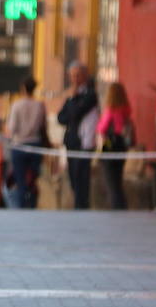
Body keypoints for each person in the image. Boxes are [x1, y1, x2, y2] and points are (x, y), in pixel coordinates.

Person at [57, 61, 99, 209]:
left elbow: (75, 113)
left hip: (84, 142)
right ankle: (78, 204)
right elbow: (61, 117)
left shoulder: (90, 94)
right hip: (71, 141)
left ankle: (81, 206)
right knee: (73, 176)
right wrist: (72, 102)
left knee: (82, 175)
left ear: (85, 76)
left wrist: (73, 99)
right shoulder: (71, 96)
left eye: (78, 75)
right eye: (72, 76)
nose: (75, 79)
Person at [5, 76, 47, 209]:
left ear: (23, 88)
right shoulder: (40, 105)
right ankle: (32, 203)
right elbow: (43, 126)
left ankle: (22, 206)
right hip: (35, 144)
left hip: (19, 145)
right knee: (33, 177)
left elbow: (12, 128)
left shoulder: (16, 105)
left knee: (20, 177)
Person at [97, 82, 133, 210]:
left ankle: (116, 208)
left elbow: (102, 129)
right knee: (118, 181)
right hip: (122, 148)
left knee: (111, 183)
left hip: (110, 148)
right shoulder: (126, 111)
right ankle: (122, 206)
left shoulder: (110, 111)